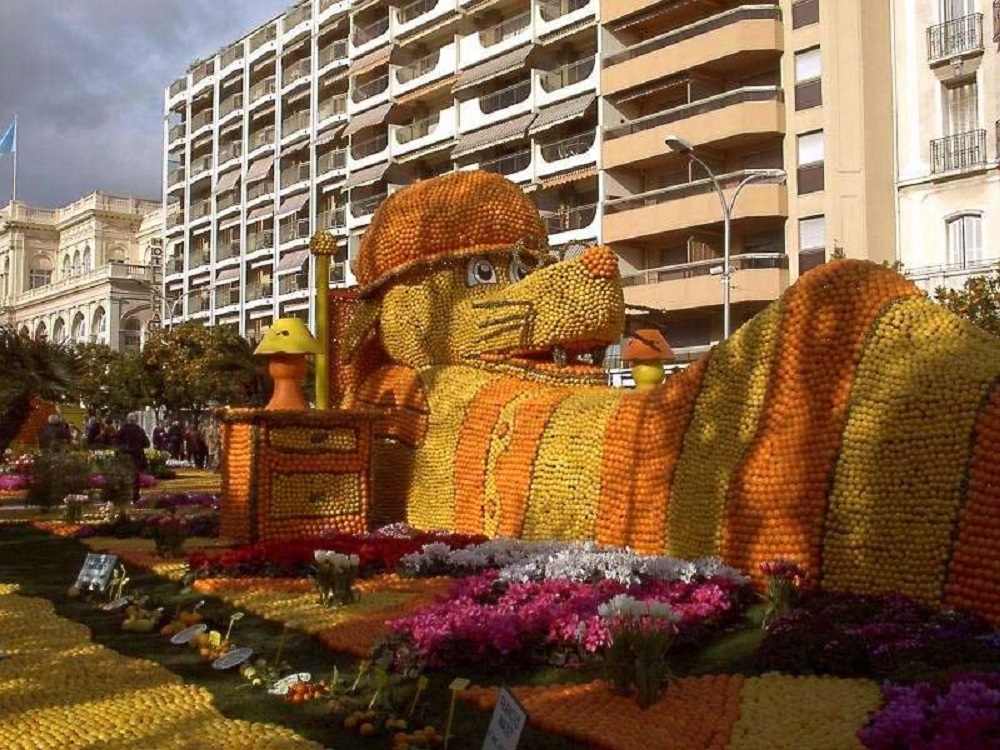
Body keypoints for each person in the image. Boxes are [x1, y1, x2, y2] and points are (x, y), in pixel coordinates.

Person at [116, 414, 150, 502]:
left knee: (124, 475)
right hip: (137, 456)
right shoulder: (139, 430)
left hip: (125, 455)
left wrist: (123, 447)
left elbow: (116, 441)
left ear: (128, 420)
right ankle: (135, 496)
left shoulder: (123, 430)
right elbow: (147, 443)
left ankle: (123, 495)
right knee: (135, 476)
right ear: (136, 420)